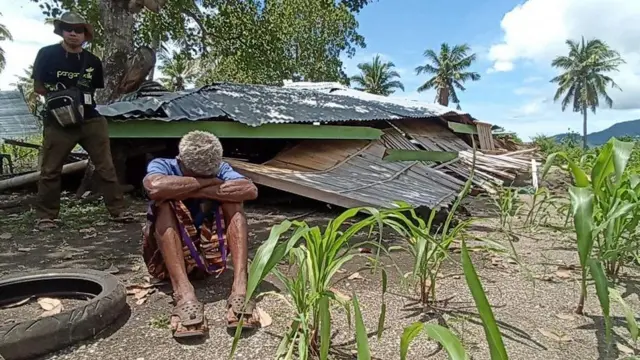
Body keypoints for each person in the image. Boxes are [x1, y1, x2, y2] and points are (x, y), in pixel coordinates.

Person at [142, 130, 260, 338]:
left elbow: (249, 190)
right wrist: (208, 184)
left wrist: (187, 187)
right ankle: (183, 293)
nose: (204, 178)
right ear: (180, 161)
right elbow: (155, 187)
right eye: (195, 175)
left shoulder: (221, 168)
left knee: (234, 201)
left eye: (208, 175)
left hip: (209, 255)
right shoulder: (163, 165)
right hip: (166, 260)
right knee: (164, 204)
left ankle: (241, 285)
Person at [31, 11, 133, 230]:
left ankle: (118, 211)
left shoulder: (92, 61)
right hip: (58, 121)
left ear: (85, 34)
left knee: (106, 166)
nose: (73, 33)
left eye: (78, 30)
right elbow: (38, 87)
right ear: (61, 31)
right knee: (50, 170)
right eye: (69, 29)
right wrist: (61, 97)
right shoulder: (46, 54)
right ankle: (46, 216)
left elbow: (92, 92)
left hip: (90, 119)